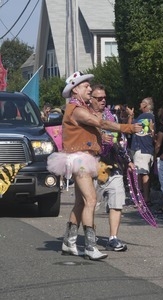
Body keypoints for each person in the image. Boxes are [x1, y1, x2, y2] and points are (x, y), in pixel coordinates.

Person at [47, 71, 142, 260]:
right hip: (80, 159)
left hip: (84, 157)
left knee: (81, 202)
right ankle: (90, 246)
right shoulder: (76, 109)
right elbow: (101, 122)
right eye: (85, 86)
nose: (89, 88)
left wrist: (99, 138)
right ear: (75, 90)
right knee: (91, 200)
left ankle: (69, 242)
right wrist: (128, 127)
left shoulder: (79, 107)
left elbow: (92, 128)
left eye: (89, 85)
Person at [90, 84, 134, 252]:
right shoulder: (85, 116)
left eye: (104, 98)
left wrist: (127, 160)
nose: (103, 101)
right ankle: (90, 236)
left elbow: (118, 141)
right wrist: (100, 140)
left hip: (113, 164)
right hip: (92, 165)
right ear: (91, 99)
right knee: (91, 205)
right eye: (99, 98)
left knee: (117, 201)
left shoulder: (111, 117)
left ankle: (113, 238)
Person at [127, 97, 155, 205]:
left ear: (146, 105)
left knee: (142, 174)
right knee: (142, 173)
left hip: (142, 149)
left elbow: (131, 128)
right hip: (146, 149)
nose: (140, 103)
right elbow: (130, 127)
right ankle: (143, 198)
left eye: (142, 102)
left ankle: (143, 199)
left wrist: (131, 116)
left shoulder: (145, 116)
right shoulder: (149, 116)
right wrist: (131, 116)